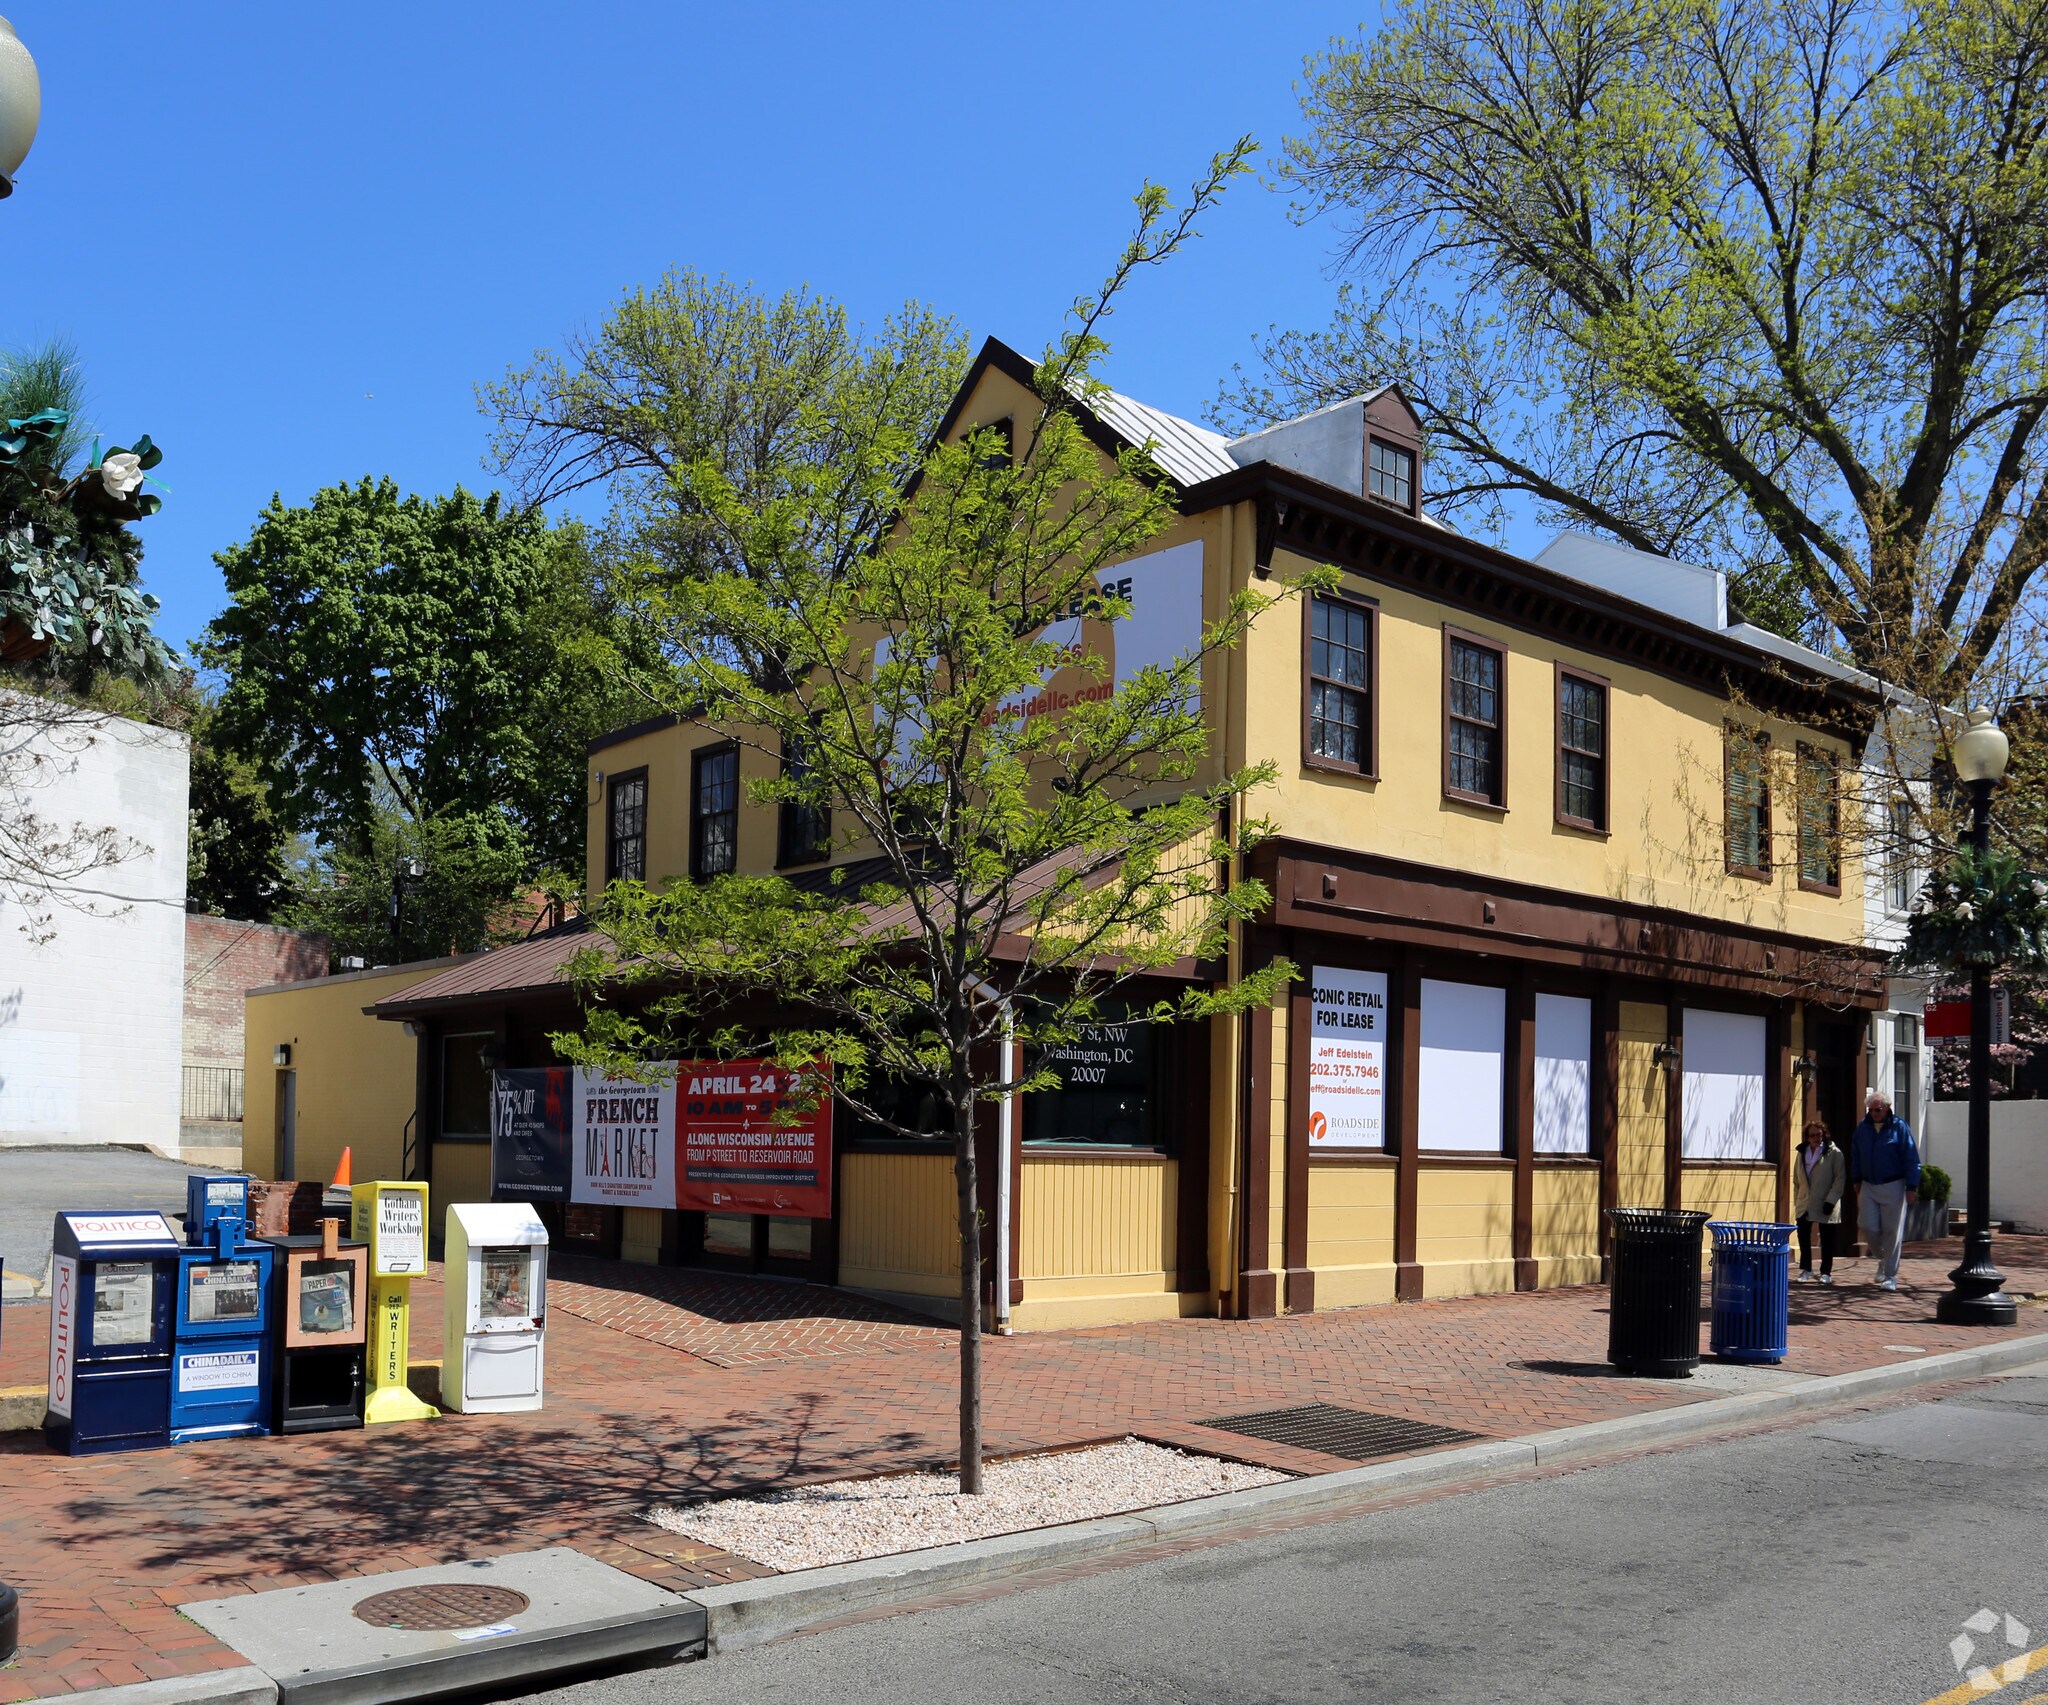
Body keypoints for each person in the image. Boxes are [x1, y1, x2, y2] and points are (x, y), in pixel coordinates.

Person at [1849, 1091, 1921, 1291]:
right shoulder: (1863, 1128)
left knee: (1892, 1231)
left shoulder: (1899, 1127)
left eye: (1878, 1110)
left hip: (1894, 1184)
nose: (1874, 1113)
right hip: (1868, 1184)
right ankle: (1882, 1258)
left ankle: (1890, 1275)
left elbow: (1911, 1157)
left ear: (1887, 1108)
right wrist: (1856, 1178)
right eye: (1871, 1110)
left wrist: (1912, 1186)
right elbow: (1856, 1154)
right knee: (1867, 1225)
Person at [1791, 1118, 1846, 1284]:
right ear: (1807, 1137)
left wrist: (1831, 1201)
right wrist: (1798, 1199)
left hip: (1825, 1201)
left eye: (1819, 1135)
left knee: (1827, 1238)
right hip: (1805, 1202)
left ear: (1824, 1134)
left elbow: (1839, 1179)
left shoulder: (1834, 1153)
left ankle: (1826, 1272)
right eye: (1812, 1135)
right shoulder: (1802, 1153)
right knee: (1803, 1236)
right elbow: (1796, 1180)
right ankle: (1806, 1269)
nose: (1816, 1138)